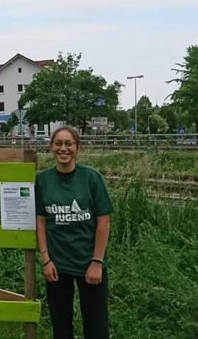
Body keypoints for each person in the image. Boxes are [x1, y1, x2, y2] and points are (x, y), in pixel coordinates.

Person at [35, 126, 114, 339]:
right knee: (61, 325)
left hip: (89, 263)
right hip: (57, 265)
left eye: (68, 144)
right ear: (51, 147)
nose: (63, 149)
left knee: (96, 324)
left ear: (77, 148)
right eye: (58, 143)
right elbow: (40, 221)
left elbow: (103, 221)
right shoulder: (42, 180)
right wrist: (45, 259)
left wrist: (97, 262)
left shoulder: (91, 178)